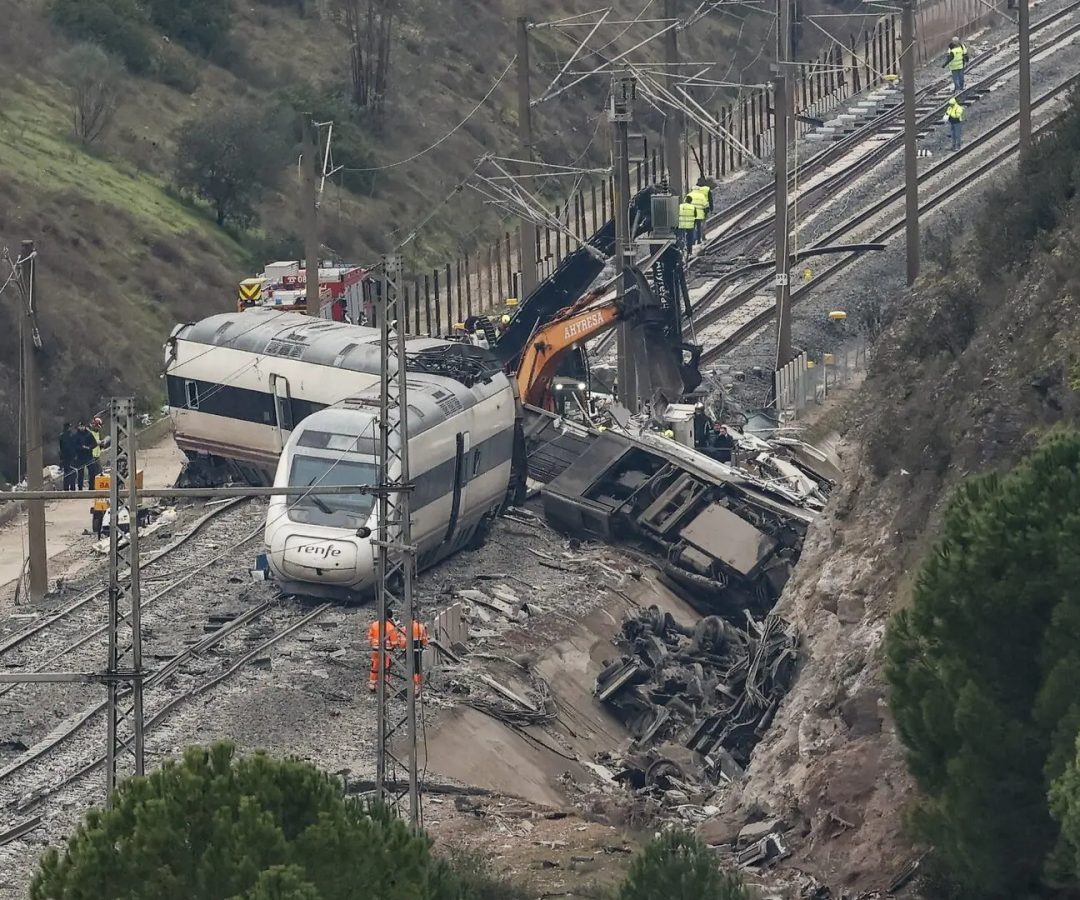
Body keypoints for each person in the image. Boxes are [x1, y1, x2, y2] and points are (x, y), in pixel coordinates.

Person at [368, 615, 403, 692]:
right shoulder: (391, 626)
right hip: (387, 651)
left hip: (375, 649)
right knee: (386, 668)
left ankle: (372, 685)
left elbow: (370, 637)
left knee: (375, 666)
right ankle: (384, 685)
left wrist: (374, 644)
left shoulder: (374, 624)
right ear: (390, 617)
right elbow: (394, 641)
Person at [406, 619, 429, 688]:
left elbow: (403, 639)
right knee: (418, 666)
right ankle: (417, 683)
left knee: (411, 666)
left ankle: (412, 681)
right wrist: (425, 645)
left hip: (410, 650)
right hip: (418, 650)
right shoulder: (421, 626)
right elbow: (424, 638)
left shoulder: (407, 626)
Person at [74, 422, 96, 491]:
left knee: (92, 472)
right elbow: (74, 446)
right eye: (80, 426)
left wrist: (89, 447)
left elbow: (94, 443)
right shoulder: (76, 435)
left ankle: (91, 487)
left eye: (83, 426)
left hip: (89, 455)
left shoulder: (89, 434)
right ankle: (80, 487)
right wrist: (82, 448)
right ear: (78, 427)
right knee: (80, 473)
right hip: (80, 456)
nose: (82, 427)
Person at [58, 423, 78, 491]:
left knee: (67, 473)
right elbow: (73, 446)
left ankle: (67, 487)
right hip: (69, 457)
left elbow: (60, 447)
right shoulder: (70, 435)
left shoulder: (62, 435)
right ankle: (71, 487)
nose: (70, 428)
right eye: (69, 427)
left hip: (66, 457)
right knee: (71, 472)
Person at [87, 416, 104, 483]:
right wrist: (97, 442)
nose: (97, 428)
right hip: (91, 456)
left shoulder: (99, 433)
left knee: (99, 472)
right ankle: (92, 486)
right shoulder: (90, 433)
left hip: (97, 455)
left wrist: (102, 444)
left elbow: (100, 444)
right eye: (96, 426)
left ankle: (97, 485)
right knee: (92, 473)